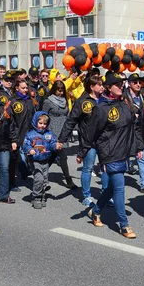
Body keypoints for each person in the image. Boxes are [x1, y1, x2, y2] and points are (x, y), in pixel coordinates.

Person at [80, 72, 144, 239]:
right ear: (108, 87)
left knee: (112, 187)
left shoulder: (125, 105)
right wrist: (82, 152)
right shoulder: (100, 108)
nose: (121, 86)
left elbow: (135, 127)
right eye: (117, 84)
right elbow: (91, 132)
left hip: (123, 152)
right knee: (119, 187)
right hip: (108, 153)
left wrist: (139, 146)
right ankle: (124, 224)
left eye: (122, 84)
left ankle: (95, 211)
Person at [58, 74, 105, 207]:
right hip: (88, 142)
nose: (102, 87)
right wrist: (62, 139)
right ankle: (86, 195)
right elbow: (71, 121)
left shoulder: (104, 99)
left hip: (104, 141)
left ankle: (106, 194)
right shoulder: (82, 101)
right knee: (88, 168)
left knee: (105, 169)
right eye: (99, 85)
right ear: (92, 86)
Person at [123, 73, 144, 192]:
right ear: (130, 84)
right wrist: (132, 115)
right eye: (135, 82)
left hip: (139, 131)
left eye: (139, 82)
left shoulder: (142, 95)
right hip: (126, 131)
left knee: (141, 154)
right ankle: (113, 182)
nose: (138, 85)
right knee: (122, 156)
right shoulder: (124, 96)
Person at [42, 80, 78, 190]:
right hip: (52, 131)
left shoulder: (64, 100)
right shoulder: (48, 101)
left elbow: (67, 115)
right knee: (60, 155)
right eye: (58, 90)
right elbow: (43, 116)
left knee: (53, 156)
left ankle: (41, 176)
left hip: (63, 131)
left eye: (62, 90)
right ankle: (68, 180)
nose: (61, 93)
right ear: (54, 90)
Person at [23, 111, 61, 209]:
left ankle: (42, 195)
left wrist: (56, 146)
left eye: (44, 124)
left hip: (46, 160)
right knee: (38, 179)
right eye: (40, 123)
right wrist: (30, 149)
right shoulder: (30, 134)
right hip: (35, 160)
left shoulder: (49, 134)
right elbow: (25, 145)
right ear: (35, 122)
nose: (42, 126)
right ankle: (36, 197)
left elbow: (52, 144)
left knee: (44, 179)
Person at [9, 79, 37, 191]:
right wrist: (13, 138)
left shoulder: (30, 101)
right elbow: (10, 121)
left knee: (32, 157)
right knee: (14, 160)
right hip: (16, 134)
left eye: (26, 88)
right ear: (17, 88)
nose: (26, 90)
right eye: (23, 88)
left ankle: (37, 184)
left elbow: (34, 117)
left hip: (29, 134)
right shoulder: (12, 101)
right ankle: (12, 183)